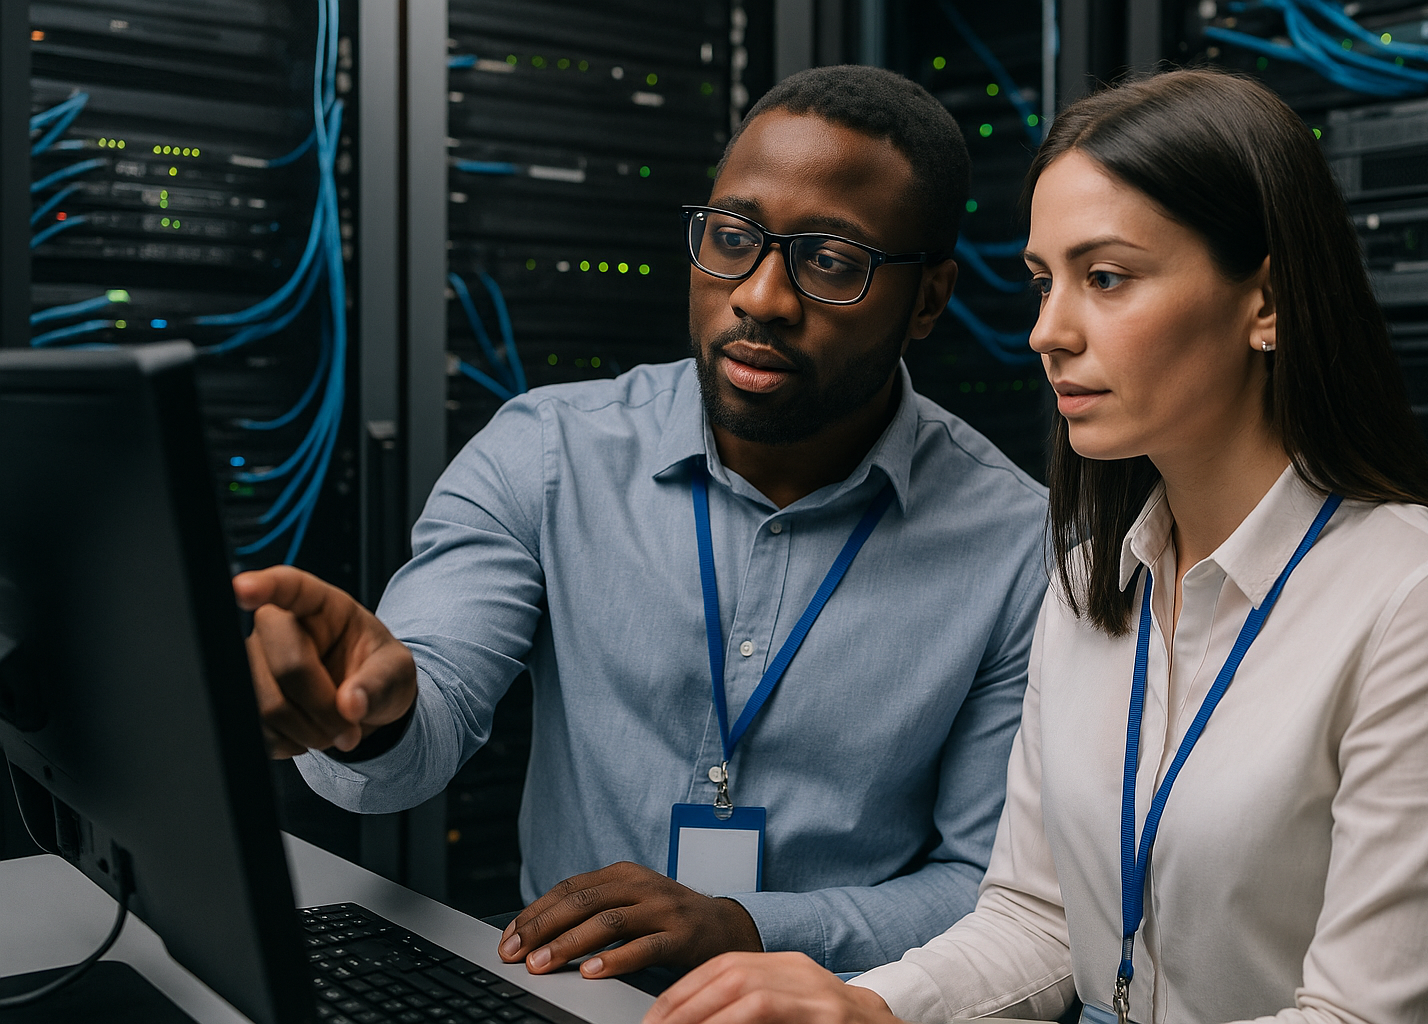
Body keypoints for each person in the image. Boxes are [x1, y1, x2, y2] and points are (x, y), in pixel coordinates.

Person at [639, 68, 1428, 1024]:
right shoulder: (1089, 579)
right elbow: (1036, 917)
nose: (1047, 332)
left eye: (1105, 278)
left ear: (1265, 303)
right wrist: (867, 1008)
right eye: (1044, 280)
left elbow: (1364, 1018)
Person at [233, 64, 1052, 981]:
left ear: (928, 300)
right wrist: (368, 718)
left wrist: (751, 927)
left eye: (831, 261)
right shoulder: (546, 455)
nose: (761, 298)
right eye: (734, 237)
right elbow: (417, 734)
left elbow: (988, 891)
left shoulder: (1020, 546)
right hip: (575, 999)